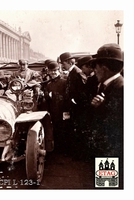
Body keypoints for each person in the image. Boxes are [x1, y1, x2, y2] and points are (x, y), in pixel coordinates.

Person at [90, 43, 123, 187]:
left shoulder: (121, 88)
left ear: (104, 68)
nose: (94, 71)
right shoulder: (108, 85)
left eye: (95, 67)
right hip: (106, 150)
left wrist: (101, 107)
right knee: (104, 185)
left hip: (112, 151)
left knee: (108, 186)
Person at [59, 52, 86, 157]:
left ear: (68, 62)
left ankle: (77, 153)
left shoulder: (78, 72)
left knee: (75, 128)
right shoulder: (72, 72)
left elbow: (83, 91)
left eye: (63, 63)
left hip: (76, 107)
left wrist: (75, 101)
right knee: (69, 126)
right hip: (70, 106)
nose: (62, 65)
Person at [44, 61, 68, 154]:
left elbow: (67, 97)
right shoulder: (49, 84)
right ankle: (58, 150)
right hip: (53, 110)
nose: (53, 73)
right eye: (51, 71)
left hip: (63, 109)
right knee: (56, 129)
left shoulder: (64, 81)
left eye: (55, 71)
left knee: (64, 129)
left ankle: (65, 150)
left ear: (59, 70)